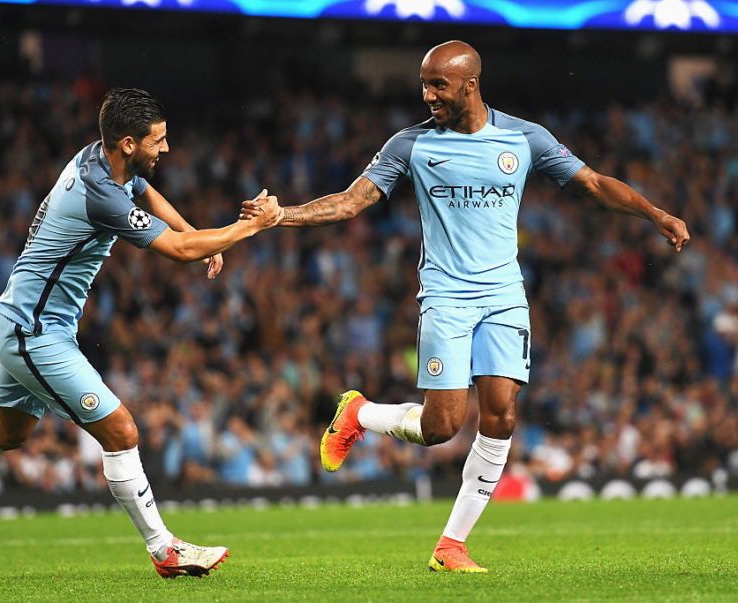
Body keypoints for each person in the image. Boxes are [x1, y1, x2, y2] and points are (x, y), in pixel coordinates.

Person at [241, 40, 690, 572]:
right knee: (442, 427)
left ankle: (451, 546)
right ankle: (359, 413)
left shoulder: (525, 139)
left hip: (504, 295)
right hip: (447, 298)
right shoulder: (410, 145)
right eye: (425, 84)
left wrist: (655, 213)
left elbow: (592, 182)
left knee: (500, 416)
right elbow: (351, 200)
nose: (428, 94)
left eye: (439, 85)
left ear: (470, 83)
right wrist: (282, 215)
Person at [0, 87, 284, 577]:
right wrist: (254, 227)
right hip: (34, 330)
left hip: (26, 321)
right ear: (128, 143)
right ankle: (163, 549)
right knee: (121, 430)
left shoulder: (99, 159)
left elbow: (147, 195)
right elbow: (177, 250)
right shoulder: (100, 195)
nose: (166, 149)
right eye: (158, 140)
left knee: (4, 432)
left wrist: (196, 232)